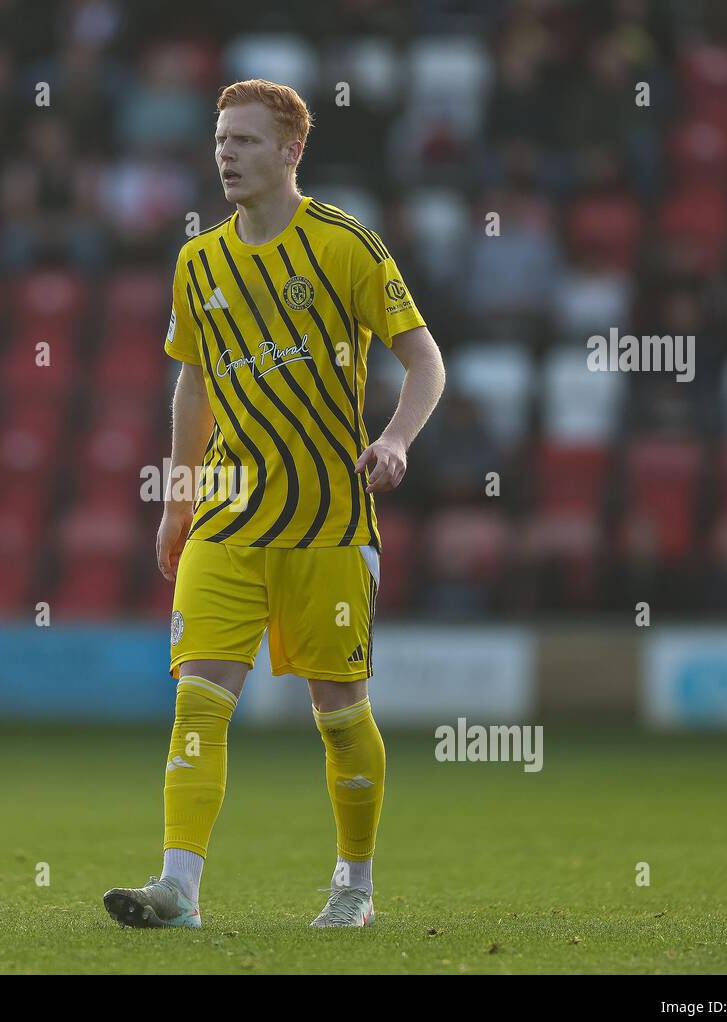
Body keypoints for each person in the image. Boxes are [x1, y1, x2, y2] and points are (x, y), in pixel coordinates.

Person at [103, 79, 446, 930]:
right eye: (221, 139)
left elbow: (426, 361)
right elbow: (193, 387)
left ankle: (354, 884)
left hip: (328, 523)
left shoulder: (346, 246)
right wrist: (178, 499)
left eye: (246, 141)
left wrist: (397, 438)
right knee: (198, 698)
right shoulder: (199, 261)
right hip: (226, 517)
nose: (226, 153)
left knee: (339, 714)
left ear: (292, 152)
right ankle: (178, 887)